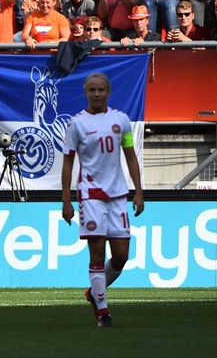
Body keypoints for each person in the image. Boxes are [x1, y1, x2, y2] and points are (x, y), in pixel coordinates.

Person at [61, 72, 144, 328]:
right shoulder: (77, 124)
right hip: (90, 197)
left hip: (118, 196)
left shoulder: (121, 120)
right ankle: (103, 311)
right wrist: (66, 200)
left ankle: (93, 294)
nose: (96, 94)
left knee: (121, 257)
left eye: (100, 90)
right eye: (92, 90)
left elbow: (130, 155)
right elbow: (68, 163)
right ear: (86, 93)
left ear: (108, 92)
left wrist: (139, 190)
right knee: (96, 255)